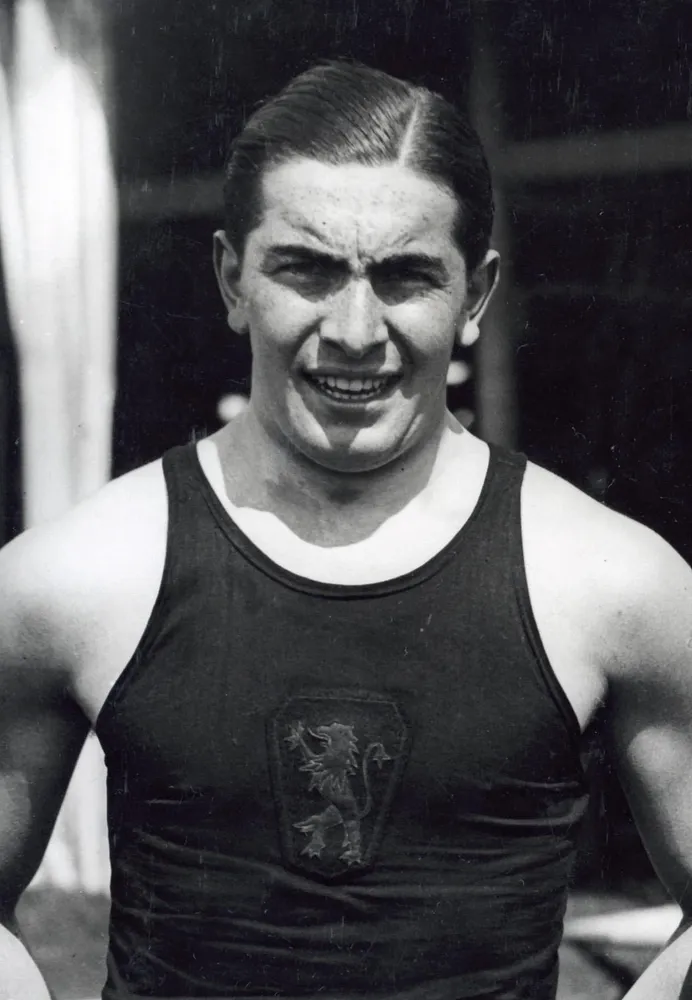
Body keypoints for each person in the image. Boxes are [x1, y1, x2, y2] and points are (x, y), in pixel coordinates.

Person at [1, 60, 692, 1000]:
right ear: (233, 278)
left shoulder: (614, 583)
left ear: (476, 296)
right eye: (308, 269)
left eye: (406, 277)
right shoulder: (70, 579)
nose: (356, 331)